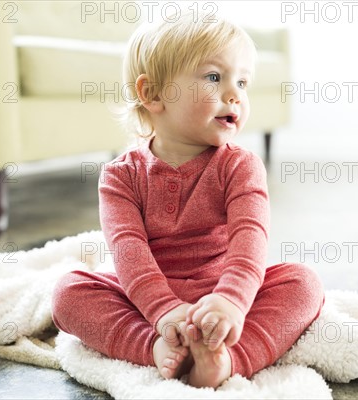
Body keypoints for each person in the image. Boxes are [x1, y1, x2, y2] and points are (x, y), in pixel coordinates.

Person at [52, 11, 324, 389]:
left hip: (222, 292)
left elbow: (250, 242)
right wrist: (165, 313)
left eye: (242, 82)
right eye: (215, 77)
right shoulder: (120, 176)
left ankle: (228, 358)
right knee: (68, 293)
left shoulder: (240, 166)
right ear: (153, 94)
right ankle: (157, 349)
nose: (235, 94)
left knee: (303, 283)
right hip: (146, 301)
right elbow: (129, 254)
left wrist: (231, 301)